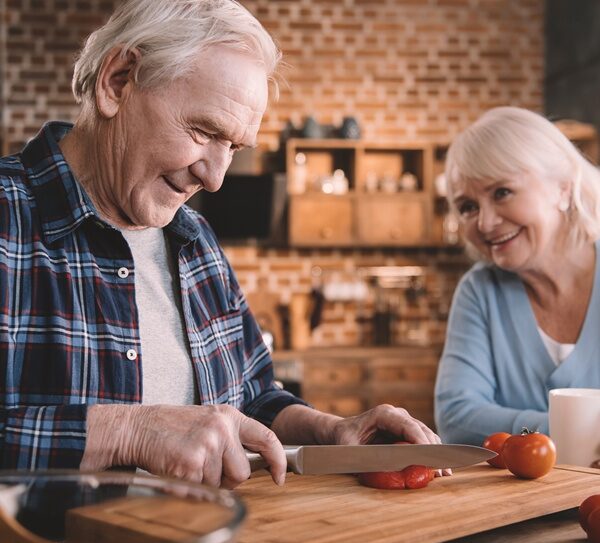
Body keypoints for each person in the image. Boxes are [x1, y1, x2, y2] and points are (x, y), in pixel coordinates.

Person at [0, 0, 439, 488]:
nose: (214, 178)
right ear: (118, 82)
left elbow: (252, 398)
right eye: (204, 131)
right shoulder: (8, 220)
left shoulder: (196, 241)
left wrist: (333, 430)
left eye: (232, 146)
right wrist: (130, 433)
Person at [435, 106, 600, 445]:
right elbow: (457, 419)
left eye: (502, 192)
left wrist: (521, 430)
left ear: (563, 189)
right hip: (523, 501)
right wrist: (572, 429)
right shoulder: (480, 292)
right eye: (468, 207)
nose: (485, 223)